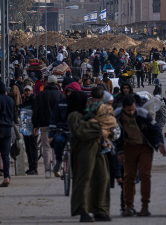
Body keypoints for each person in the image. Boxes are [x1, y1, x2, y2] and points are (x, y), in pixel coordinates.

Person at [115, 95, 166, 217]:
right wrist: (120, 151)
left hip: (145, 147)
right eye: (128, 110)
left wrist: (160, 144)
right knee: (128, 177)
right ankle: (128, 207)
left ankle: (145, 206)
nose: (131, 112)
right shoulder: (117, 115)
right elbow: (116, 134)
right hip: (129, 147)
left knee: (145, 176)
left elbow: (155, 129)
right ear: (123, 108)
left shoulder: (143, 113)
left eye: (133, 109)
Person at [67, 91, 112, 222]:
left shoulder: (88, 114)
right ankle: (83, 210)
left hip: (97, 147)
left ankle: (100, 210)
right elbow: (81, 130)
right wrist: (100, 130)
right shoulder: (73, 116)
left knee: (102, 177)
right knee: (84, 179)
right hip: (83, 149)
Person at [32, 75, 64, 178]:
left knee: (46, 147)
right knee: (56, 146)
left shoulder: (40, 95)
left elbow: (36, 111)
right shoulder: (60, 95)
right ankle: (56, 167)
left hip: (44, 124)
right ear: (56, 84)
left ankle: (47, 171)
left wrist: (35, 125)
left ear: (47, 83)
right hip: (57, 125)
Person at [49, 82, 81, 177]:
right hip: (62, 130)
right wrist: (51, 135)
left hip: (76, 131)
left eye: (71, 92)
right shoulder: (60, 103)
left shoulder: (80, 104)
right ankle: (58, 162)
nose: (69, 94)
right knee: (58, 141)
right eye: (68, 92)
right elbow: (54, 118)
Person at [84, 87, 116, 152]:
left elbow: (90, 114)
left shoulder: (94, 105)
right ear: (102, 97)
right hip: (109, 125)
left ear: (92, 96)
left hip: (101, 124)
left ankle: (105, 145)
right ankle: (108, 145)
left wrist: (84, 117)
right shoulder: (106, 106)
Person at [21, 85, 38, 175]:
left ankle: (34, 168)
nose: (27, 92)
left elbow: (36, 114)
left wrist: (36, 127)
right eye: (25, 91)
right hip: (25, 129)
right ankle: (31, 167)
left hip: (32, 128)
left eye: (29, 91)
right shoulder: (24, 103)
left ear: (32, 92)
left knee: (33, 148)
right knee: (28, 148)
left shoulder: (34, 101)